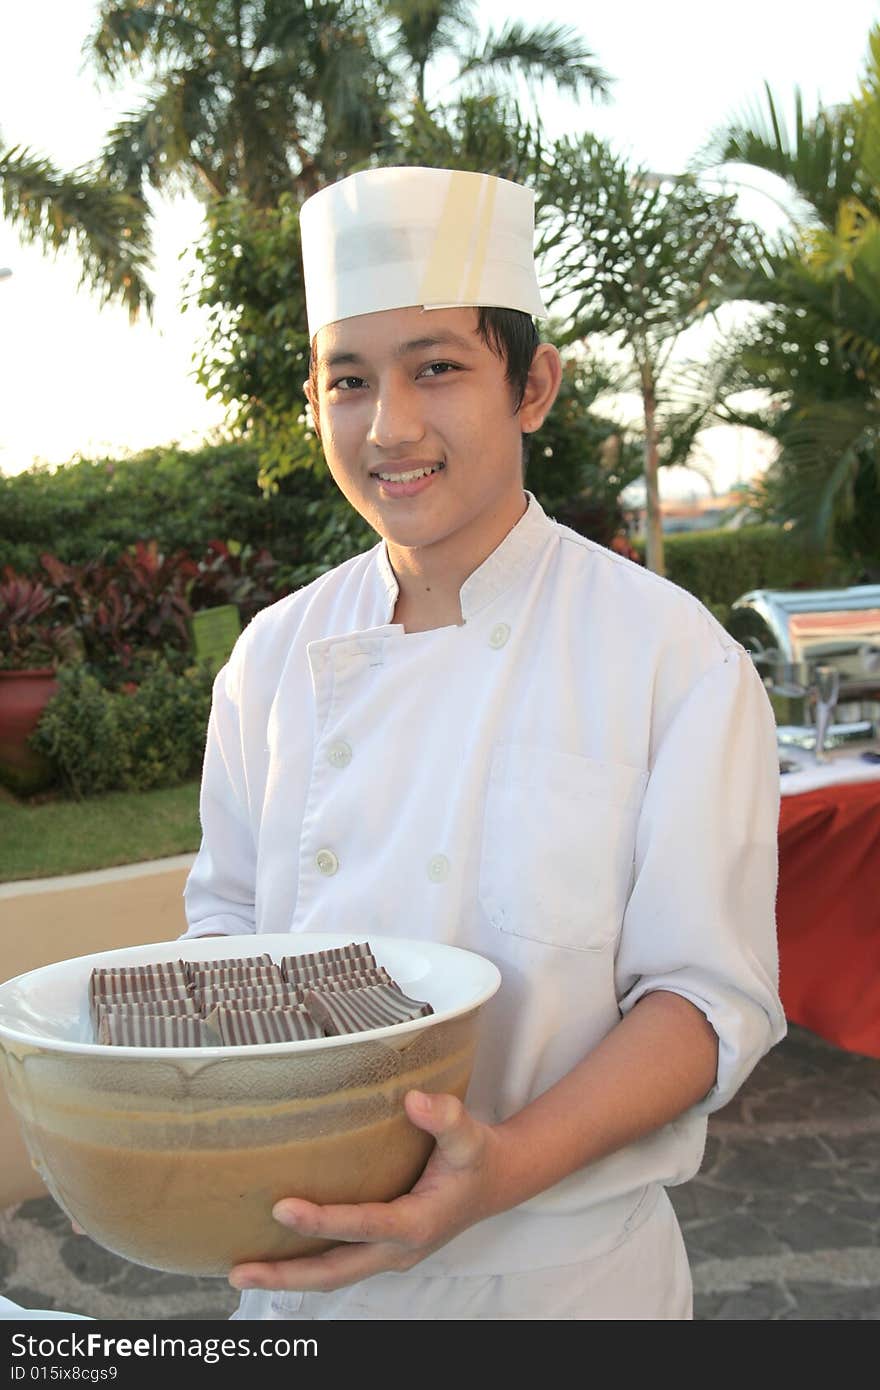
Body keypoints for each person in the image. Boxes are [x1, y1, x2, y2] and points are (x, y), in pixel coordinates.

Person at [181, 165, 786, 1321]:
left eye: (438, 368)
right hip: (306, 1284)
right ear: (312, 400)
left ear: (534, 385)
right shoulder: (271, 658)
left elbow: (707, 1000)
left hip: (559, 1282)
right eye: (349, 380)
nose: (389, 426)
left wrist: (496, 1166)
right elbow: (227, 924)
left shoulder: (669, 655)